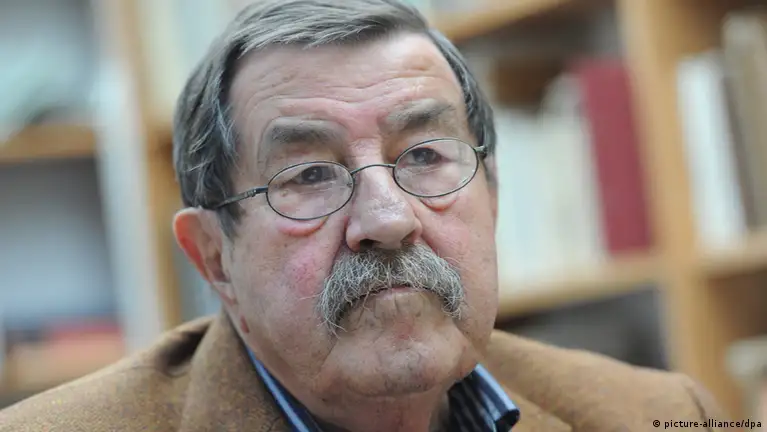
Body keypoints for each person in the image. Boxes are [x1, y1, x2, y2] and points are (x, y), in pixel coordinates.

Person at [0, 0, 726, 431]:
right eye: (309, 175)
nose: (387, 218)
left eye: (424, 156)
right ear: (214, 256)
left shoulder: (661, 413)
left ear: (493, 195)